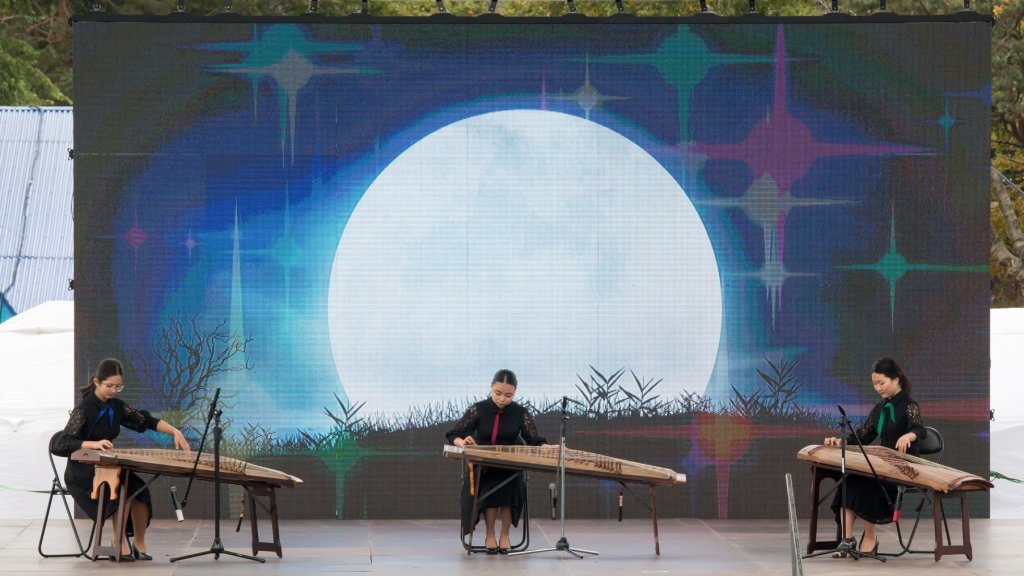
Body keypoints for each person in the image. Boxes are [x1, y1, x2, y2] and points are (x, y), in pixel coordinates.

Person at [50, 358, 191, 561]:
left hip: (108, 467)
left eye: (118, 386)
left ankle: (139, 543)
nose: (114, 390)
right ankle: (118, 542)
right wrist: (91, 444)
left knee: (138, 488)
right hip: (83, 471)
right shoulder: (84, 408)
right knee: (122, 487)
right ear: (97, 382)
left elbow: (145, 420)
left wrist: (175, 431)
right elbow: (61, 443)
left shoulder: (116, 406)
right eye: (109, 386)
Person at [823, 357, 926, 558]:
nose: (878, 388)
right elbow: (862, 436)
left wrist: (909, 436)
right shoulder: (880, 408)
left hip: (904, 468)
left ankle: (870, 536)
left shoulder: (909, 405)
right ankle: (847, 540)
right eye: (874, 384)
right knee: (850, 481)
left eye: (881, 383)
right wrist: (839, 441)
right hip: (883, 466)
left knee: (869, 482)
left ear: (896, 379)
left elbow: (920, 429)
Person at [445, 369, 549, 554]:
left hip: (510, 464)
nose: (502, 399)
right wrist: (463, 442)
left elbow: (534, 439)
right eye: (498, 393)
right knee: (490, 486)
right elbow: (455, 434)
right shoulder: (479, 409)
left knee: (510, 487)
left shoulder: (519, 412)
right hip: (484, 465)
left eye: (508, 395)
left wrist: (544, 446)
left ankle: (505, 535)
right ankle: (490, 534)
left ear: (515, 392)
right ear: (491, 388)